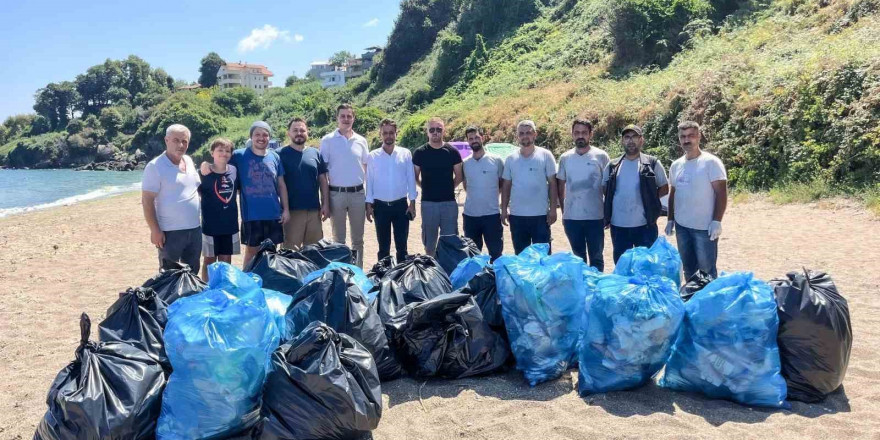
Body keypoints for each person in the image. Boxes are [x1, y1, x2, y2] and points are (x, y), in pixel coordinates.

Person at [202, 121, 289, 268]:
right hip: (251, 215)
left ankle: (269, 281)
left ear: (269, 137)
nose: (261, 138)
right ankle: (248, 281)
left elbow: (281, 184)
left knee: (272, 252)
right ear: (251, 137)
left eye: (265, 135)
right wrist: (206, 164)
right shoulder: (239, 155)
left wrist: (285, 209)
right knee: (251, 252)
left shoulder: (275, 157)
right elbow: (221, 161)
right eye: (257, 134)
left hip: (274, 214)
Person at [666, 121, 728, 280]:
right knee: (688, 270)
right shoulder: (676, 165)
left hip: (704, 228)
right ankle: (692, 301)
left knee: (707, 272)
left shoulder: (711, 162)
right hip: (682, 227)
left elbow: (721, 194)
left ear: (699, 137)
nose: (687, 140)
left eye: (691, 136)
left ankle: (708, 303)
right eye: (683, 137)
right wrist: (671, 219)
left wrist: (716, 221)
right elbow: (673, 193)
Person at [603, 124, 669, 263]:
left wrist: (650, 201)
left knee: (646, 266)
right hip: (618, 226)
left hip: (645, 226)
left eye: (634, 137)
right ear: (622, 141)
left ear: (641, 140)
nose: (630, 141)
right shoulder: (613, 165)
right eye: (627, 137)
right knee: (622, 266)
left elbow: (664, 187)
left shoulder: (652, 163)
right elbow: (605, 189)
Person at [141, 124, 202, 270]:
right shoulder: (155, 166)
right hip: (170, 232)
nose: (181, 145)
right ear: (166, 140)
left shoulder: (188, 161)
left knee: (192, 274)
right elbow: (147, 200)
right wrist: (155, 230)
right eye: (176, 140)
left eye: (184, 141)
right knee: (169, 276)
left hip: (194, 229)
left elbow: (195, 189)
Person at [557, 119, 610, 271]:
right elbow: (561, 185)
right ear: (572, 135)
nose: (580, 136)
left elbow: (607, 187)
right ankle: (582, 291)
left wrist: (607, 212)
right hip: (572, 218)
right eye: (577, 133)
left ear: (590, 135)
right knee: (578, 259)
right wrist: (564, 212)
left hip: (596, 217)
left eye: (584, 133)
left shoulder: (601, 156)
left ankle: (596, 289)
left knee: (597, 257)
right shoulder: (565, 158)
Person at [320, 104, 369, 267]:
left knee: (358, 240)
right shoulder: (327, 141)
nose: (346, 119)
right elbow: (323, 174)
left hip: (358, 194)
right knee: (338, 240)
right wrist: (325, 202)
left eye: (349, 116)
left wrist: (369, 198)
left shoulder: (361, 140)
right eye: (343, 116)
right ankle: (341, 272)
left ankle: (358, 272)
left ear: (353, 118)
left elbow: (366, 169)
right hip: (336, 195)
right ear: (337, 118)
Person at [501, 120, 559, 255]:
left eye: (528, 132)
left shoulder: (545, 155)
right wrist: (504, 209)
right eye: (521, 133)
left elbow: (552, 183)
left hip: (540, 216)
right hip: (517, 216)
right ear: (517, 136)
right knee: (521, 257)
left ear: (535, 135)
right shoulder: (510, 159)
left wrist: (553, 209)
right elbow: (506, 186)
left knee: (543, 257)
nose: (525, 136)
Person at [365, 119, 417, 262]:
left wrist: (412, 203)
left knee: (402, 247)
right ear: (380, 134)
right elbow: (369, 181)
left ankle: (401, 277)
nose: (388, 136)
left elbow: (411, 179)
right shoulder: (373, 156)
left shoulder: (405, 154)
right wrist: (368, 205)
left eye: (391, 133)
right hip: (380, 207)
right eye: (385, 133)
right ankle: (383, 279)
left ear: (396, 134)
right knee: (383, 247)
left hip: (401, 206)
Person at [412, 117, 463, 256]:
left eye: (439, 129)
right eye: (432, 130)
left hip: (449, 204)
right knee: (429, 245)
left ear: (443, 131)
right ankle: (432, 273)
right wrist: (425, 187)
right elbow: (415, 177)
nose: (435, 133)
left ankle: (448, 273)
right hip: (428, 204)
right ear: (427, 132)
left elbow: (459, 176)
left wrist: (448, 187)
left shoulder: (452, 151)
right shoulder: (420, 152)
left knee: (450, 242)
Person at [278, 117, 330, 250]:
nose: (299, 133)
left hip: (314, 211)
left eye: (302, 130)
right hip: (291, 213)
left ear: (308, 132)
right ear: (288, 133)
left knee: (314, 252)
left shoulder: (315, 153)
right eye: (295, 130)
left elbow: (323, 180)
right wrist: (284, 210)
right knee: (290, 253)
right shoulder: (280, 155)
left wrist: (325, 204)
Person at [196, 138, 241, 281]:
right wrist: (204, 165)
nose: (224, 153)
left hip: (230, 224)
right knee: (209, 260)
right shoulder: (203, 173)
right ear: (212, 153)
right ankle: (207, 289)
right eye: (220, 150)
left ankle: (223, 288)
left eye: (227, 151)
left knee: (226, 260)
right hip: (210, 225)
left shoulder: (234, 170)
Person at [461, 125, 504, 261]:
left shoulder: (497, 161)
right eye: (470, 138)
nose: (474, 140)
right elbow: (466, 185)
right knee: (473, 256)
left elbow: (502, 184)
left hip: (491, 215)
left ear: (483, 138)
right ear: (467, 141)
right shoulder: (465, 163)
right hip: (470, 216)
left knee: (496, 254)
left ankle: (495, 281)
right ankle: (476, 282)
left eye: (476, 137)